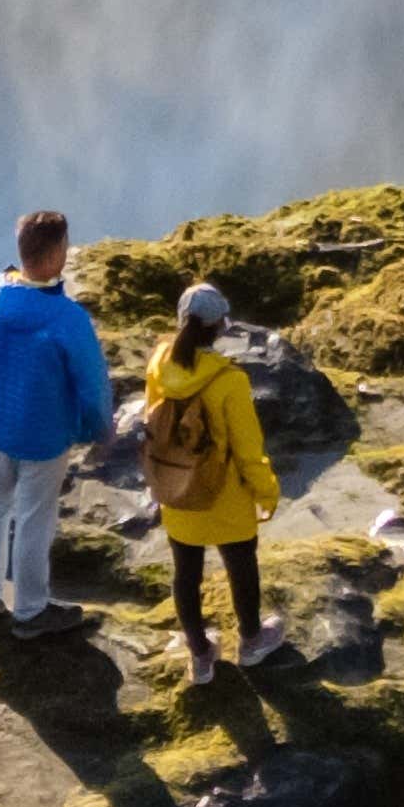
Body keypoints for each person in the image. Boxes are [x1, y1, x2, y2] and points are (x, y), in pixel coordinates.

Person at [0, 210, 117, 633]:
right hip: (44, 436)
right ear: (56, 254)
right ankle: (32, 610)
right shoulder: (67, 319)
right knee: (35, 520)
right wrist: (99, 428)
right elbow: (91, 382)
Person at [132, 283, 276, 683]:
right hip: (223, 493)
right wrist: (266, 491)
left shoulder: (159, 364)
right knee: (241, 566)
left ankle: (200, 654)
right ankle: (251, 640)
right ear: (220, 327)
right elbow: (249, 449)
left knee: (186, 572)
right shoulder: (230, 381)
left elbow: (153, 422)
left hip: (176, 489)